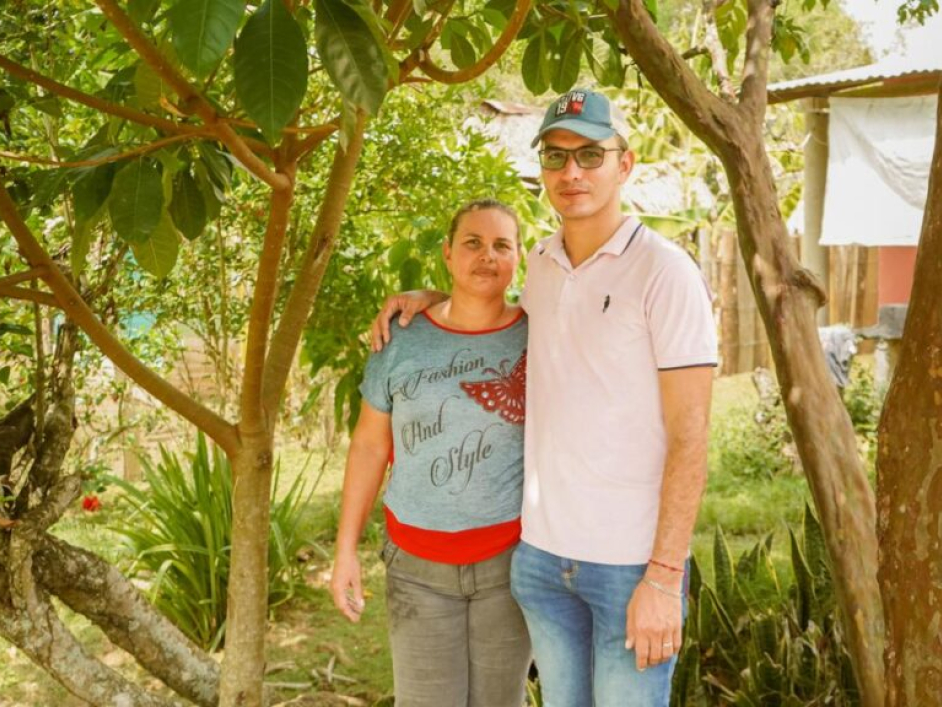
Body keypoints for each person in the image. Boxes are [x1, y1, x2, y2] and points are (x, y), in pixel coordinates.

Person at [371, 89, 717, 707]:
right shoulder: (542, 263)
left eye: (590, 154)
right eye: (555, 157)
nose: (572, 172)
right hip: (539, 563)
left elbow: (692, 435)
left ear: (624, 163)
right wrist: (429, 299)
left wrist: (664, 577)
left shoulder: (666, 273)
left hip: (628, 568)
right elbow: (493, 315)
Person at [329, 198, 531, 707]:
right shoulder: (402, 338)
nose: (487, 256)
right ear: (446, 252)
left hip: (509, 567)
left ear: (519, 256)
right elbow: (370, 444)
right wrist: (345, 549)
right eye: (472, 243)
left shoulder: (539, 332)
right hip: (417, 570)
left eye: (500, 245)